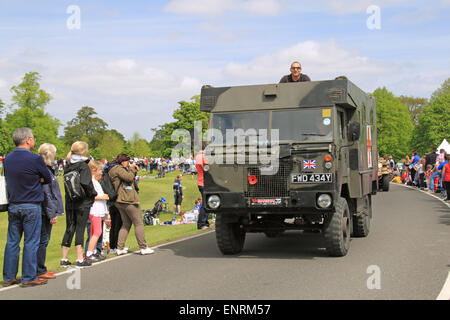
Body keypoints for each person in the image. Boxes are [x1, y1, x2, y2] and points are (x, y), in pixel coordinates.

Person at [3, 128, 52, 287]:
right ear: (28, 140)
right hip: (31, 203)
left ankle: (9, 276)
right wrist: (38, 179)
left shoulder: (8, 159)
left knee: (12, 241)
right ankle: (29, 277)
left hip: (14, 203)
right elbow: (48, 177)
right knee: (31, 242)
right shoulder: (35, 159)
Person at [60, 141, 97, 268]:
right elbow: (86, 183)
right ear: (83, 151)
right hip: (82, 202)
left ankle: (64, 258)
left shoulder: (68, 165)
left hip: (70, 200)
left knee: (70, 227)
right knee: (80, 228)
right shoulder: (83, 166)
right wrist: (93, 193)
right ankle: (80, 258)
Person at [108, 153, 154, 255]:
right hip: (127, 199)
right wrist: (133, 169)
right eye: (128, 161)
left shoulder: (113, 170)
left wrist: (132, 170)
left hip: (120, 200)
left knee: (126, 224)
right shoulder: (118, 169)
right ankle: (143, 247)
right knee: (138, 223)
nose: (129, 163)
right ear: (123, 161)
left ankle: (119, 248)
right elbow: (129, 178)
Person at [36, 143, 64, 281]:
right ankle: (39, 269)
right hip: (44, 211)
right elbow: (47, 194)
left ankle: (40, 267)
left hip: (45, 209)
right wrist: (52, 213)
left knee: (43, 240)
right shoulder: (45, 170)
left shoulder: (48, 169)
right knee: (43, 240)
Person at [86, 161, 110, 263]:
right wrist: (103, 197)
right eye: (100, 170)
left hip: (98, 210)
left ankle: (94, 251)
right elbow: (91, 196)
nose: (101, 172)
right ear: (93, 171)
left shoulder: (95, 182)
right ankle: (89, 253)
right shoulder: (91, 182)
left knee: (94, 232)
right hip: (94, 210)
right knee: (97, 232)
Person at [195, 145, 210, 230]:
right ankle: (202, 223)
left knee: (205, 203)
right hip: (205, 182)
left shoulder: (197, 156)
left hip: (200, 181)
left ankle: (205, 222)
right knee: (206, 204)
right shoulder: (204, 156)